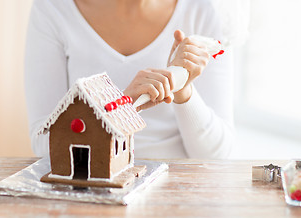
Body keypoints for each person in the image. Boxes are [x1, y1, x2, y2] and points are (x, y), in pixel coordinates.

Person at [24, 0, 234, 160]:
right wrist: (121, 109)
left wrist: (183, 90)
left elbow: (217, 156)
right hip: (90, 189)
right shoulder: (52, 9)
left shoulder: (202, 10)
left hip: (179, 195)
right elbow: (44, 144)